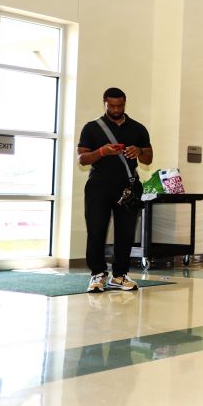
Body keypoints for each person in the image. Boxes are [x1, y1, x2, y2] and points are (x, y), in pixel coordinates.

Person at [76, 87, 153, 293]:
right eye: (112, 106)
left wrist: (139, 151)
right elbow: (82, 159)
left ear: (125, 104)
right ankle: (98, 274)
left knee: (126, 233)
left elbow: (148, 158)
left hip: (128, 187)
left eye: (120, 105)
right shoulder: (92, 128)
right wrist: (102, 151)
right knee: (96, 231)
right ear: (105, 103)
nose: (116, 109)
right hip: (98, 186)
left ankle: (119, 275)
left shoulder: (137, 128)